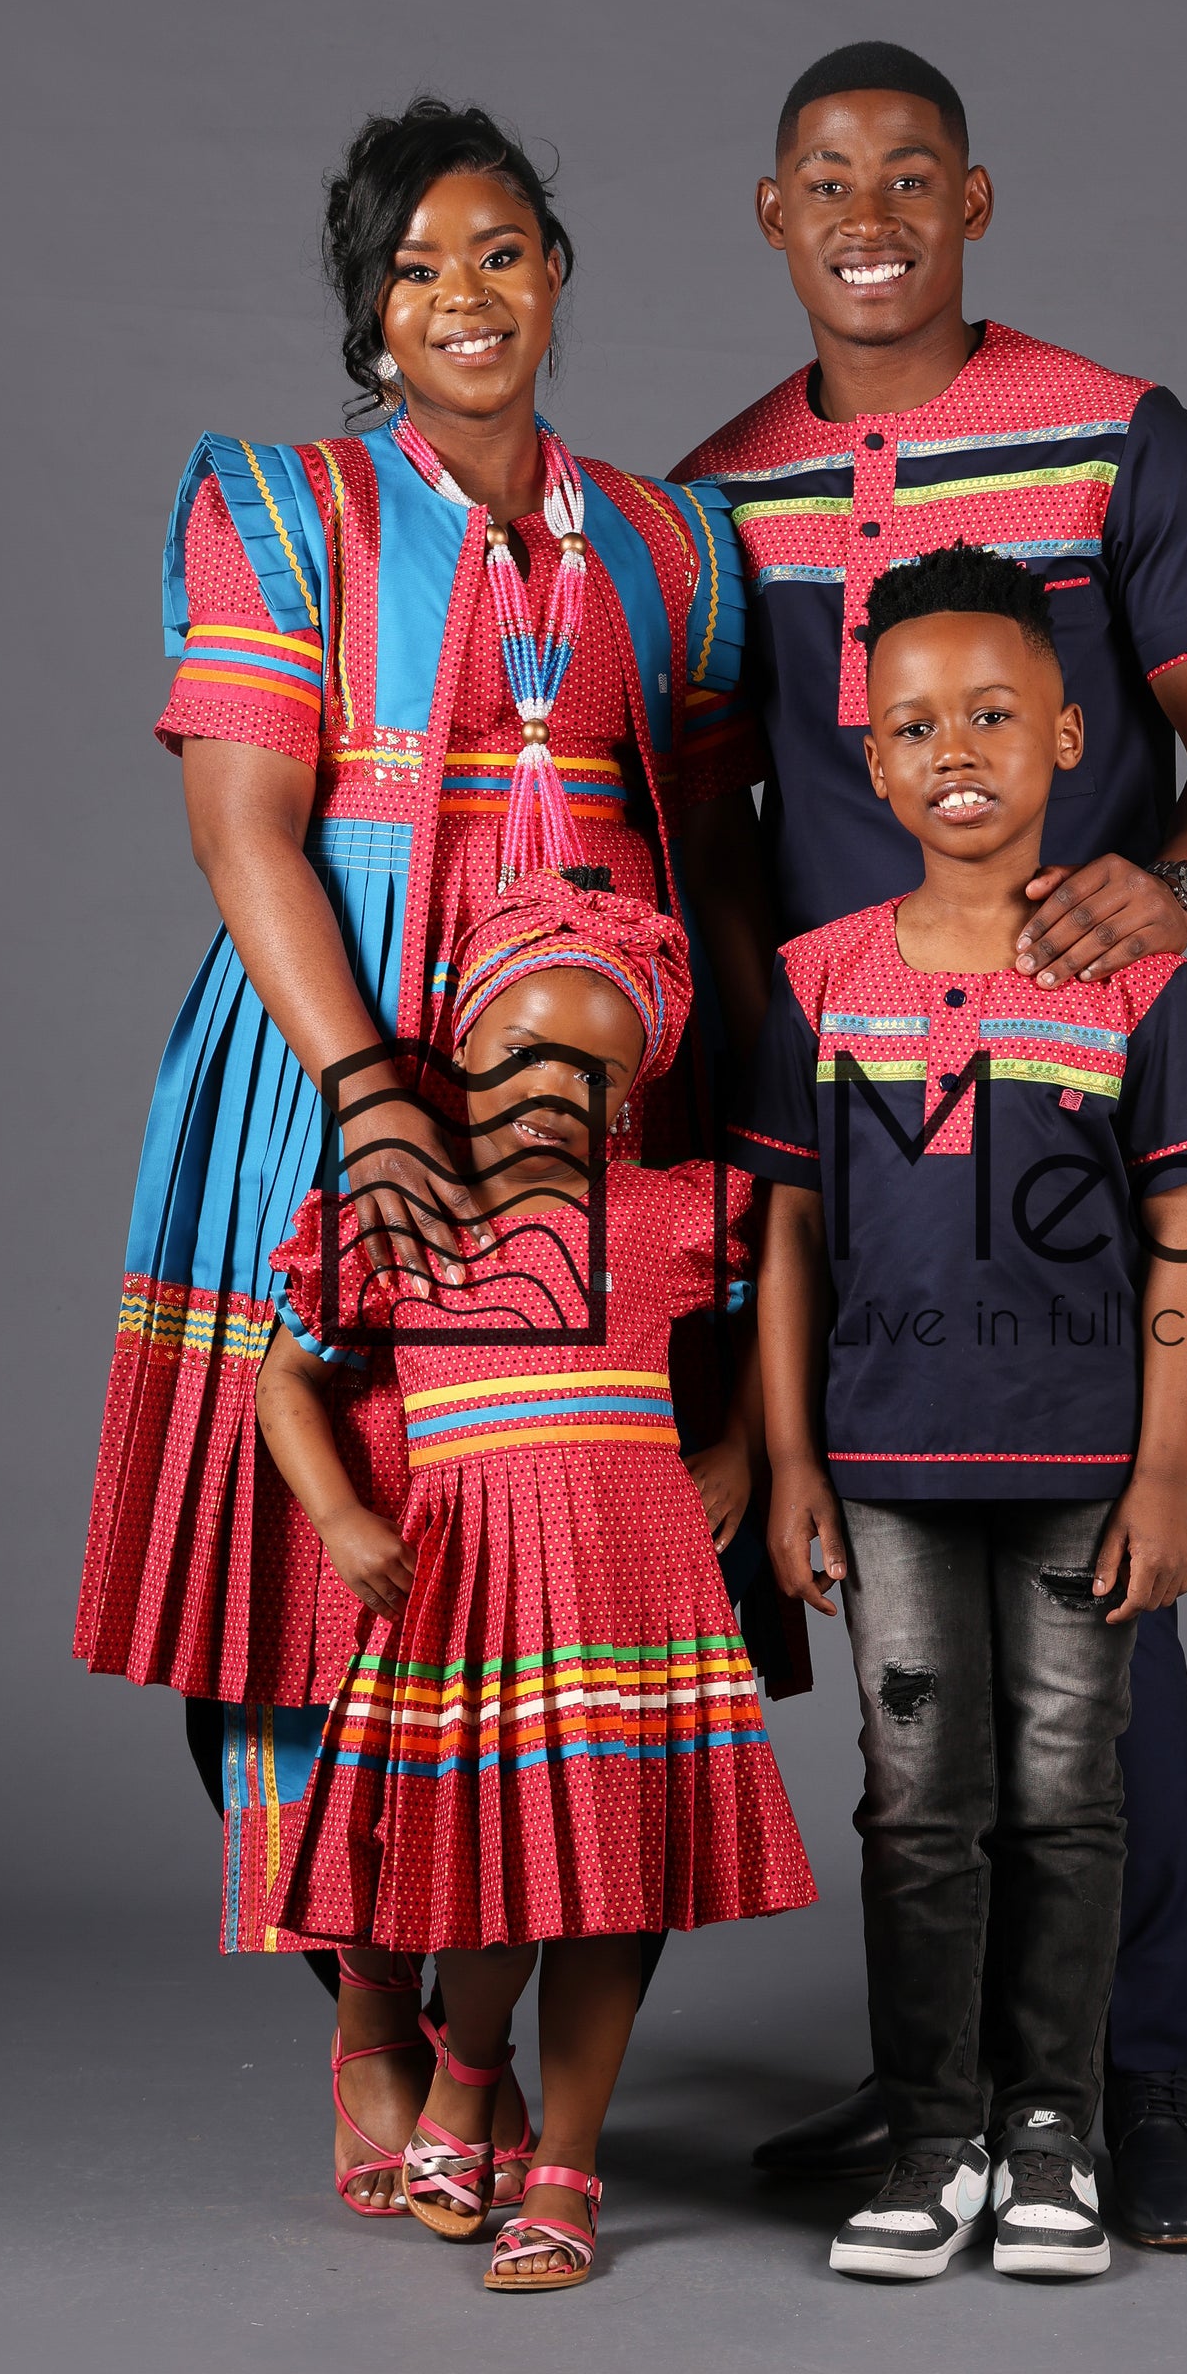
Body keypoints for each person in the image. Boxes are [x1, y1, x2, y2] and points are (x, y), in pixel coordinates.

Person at [73, 98, 775, 2217]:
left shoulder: (673, 547)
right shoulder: (281, 510)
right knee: (329, 1556)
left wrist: (739, 1113)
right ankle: (371, 2017)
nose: (461, 297)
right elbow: (243, 828)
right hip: (337, 1056)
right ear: (368, 317)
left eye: (497, 252)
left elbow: (717, 861)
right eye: (412, 269)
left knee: (565, 1549)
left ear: (555, 273)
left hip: (594, 1086)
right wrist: (367, 1085)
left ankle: (498, 2060)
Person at [673, 41, 1187, 2244]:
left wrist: (1174, 895)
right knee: (892, 1612)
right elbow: (708, 814)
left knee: (1099, 1585)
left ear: (973, 200)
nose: (871, 215)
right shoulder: (718, 492)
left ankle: (1142, 2068)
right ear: (774, 215)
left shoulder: (1116, 431)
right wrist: (752, 1045)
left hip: (1054, 1080)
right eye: (828, 180)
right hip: (836, 1097)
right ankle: (944, 2080)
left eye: (912, 175)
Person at [736, 543, 1187, 2280]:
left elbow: (1184, 1231)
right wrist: (791, 1455)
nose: (952, 749)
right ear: (870, 764)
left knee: (1065, 1794)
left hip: (1076, 1471)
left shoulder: (1135, 982)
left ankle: (1053, 2134)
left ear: (1066, 737)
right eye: (912, 726)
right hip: (881, 1471)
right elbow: (787, 1232)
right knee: (912, 1797)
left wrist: (1162, 1472)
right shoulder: (821, 978)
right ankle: (929, 2134)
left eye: (990, 714)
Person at [257, 873, 815, 2289]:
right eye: (523, 1054)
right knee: (491, 1859)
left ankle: (567, 2164)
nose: (553, 1092)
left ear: (633, 1094)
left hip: (635, 1589)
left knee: (612, 1875)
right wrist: (338, 1513)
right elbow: (285, 1383)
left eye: (595, 1072)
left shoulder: (667, 1213)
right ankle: (466, 2063)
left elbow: (797, 1268)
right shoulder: (392, 1215)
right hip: (475, 1594)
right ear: (459, 1046)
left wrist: (744, 1446)